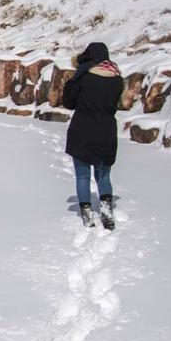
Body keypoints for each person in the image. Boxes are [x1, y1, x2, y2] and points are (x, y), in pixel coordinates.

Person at [62, 41, 124, 228]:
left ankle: (86, 211)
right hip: (106, 130)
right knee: (103, 175)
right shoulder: (117, 78)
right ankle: (106, 208)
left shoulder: (83, 76)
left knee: (82, 175)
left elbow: (69, 102)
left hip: (82, 129)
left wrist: (73, 80)